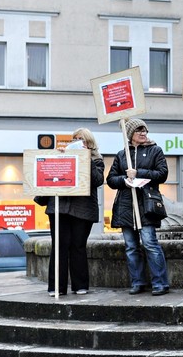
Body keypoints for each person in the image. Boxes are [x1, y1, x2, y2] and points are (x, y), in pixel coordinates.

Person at [35, 128, 105, 295]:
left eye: (81, 139)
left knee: (78, 246)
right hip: (59, 207)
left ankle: (80, 285)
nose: (77, 142)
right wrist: (60, 158)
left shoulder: (96, 160)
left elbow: (97, 181)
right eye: (74, 139)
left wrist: (85, 158)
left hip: (82, 209)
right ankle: (56, 287)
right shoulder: (61, 156)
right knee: (59, 246)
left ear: (88, 143)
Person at [106, 118, 170, 296]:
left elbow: (162, 174)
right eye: (139, 130)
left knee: (150, 243)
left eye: (145, 130)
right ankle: (137, 282)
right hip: (126, 206)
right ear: (130, 134)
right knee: (131, 247)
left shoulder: (155, 151)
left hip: (146, 205)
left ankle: (160, 283)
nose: (143, 133)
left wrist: (139, 173)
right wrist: (125, 180)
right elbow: (111, 180)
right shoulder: (121, 155)